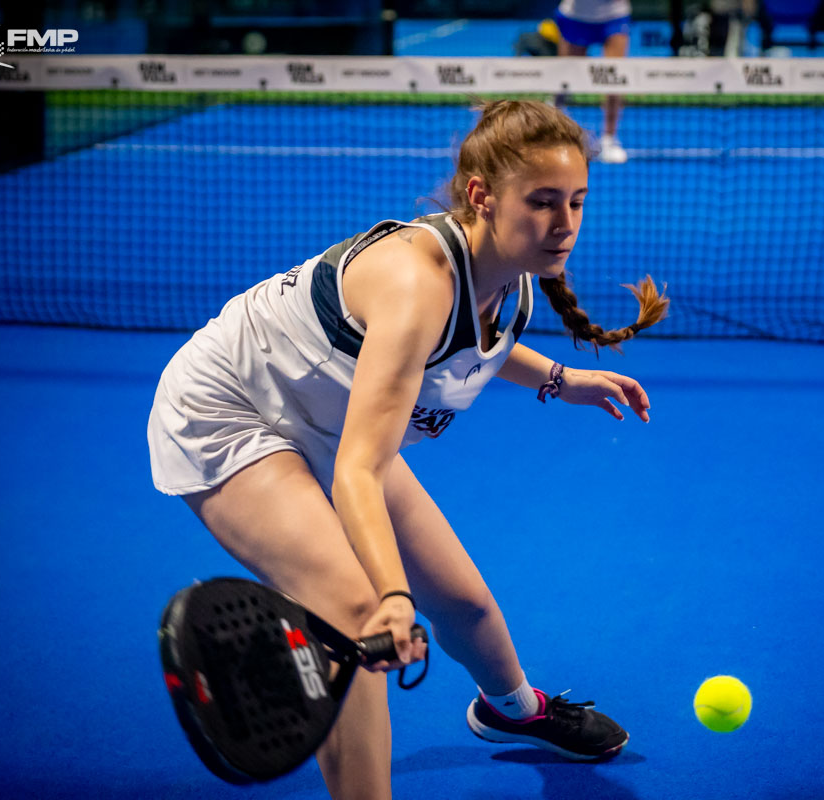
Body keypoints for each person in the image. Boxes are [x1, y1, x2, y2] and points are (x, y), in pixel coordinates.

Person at [146, 99, 668, 800]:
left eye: (576, 200)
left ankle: (511, 710)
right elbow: (360, 469)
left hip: (329, 413)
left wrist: (559, 377)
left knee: (464, 602)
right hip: (231, 409)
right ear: (482, 196)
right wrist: (390, 597)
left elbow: (471, 345)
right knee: (355, 615)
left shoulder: (511, 281)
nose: (565, 222)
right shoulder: (416, 284)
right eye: (543, 201)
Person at [552, 0, 632, 163]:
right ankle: (552, 129)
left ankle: (609, 139)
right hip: (576, 16)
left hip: (614, 16)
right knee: (564, 79)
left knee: (614, 78)